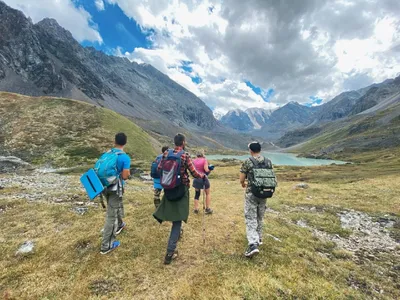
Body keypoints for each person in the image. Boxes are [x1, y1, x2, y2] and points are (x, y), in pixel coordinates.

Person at [153, 133, 205, 265]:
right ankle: (170, 252)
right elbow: (194, 173)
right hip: (181, 190)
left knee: (174, 217)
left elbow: (159, 170)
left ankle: (177, 235)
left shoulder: (166, 154)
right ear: (183, 142)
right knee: (177, 220)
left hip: (168, 189)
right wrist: (202, 176)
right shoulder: (185, 155)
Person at [100, 133, 131, 255]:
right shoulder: (124, 157)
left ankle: (120, 225)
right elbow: (125, 176)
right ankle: (106, 246)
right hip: (115, 188)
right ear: (125, 142)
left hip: (103, 186)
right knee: (111, 216)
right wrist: (127, 175)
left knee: (114, 207)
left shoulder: (107, 153)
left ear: (115, 141)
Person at [239, 141, 269, 258]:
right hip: (265, 192)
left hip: (251, 193)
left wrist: (243, 183)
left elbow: (242, 178)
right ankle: (259, 238)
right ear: (260, 150)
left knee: (250, 217)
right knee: (260, 216)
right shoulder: (268, 161)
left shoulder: (248, 161)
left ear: (250, 151)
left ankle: (253, 244)